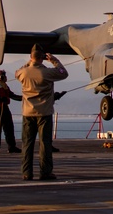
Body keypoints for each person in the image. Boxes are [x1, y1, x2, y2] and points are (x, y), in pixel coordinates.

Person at [16, 44, 68, 181]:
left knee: (27, 144)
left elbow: (17, 72)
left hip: (27, 113)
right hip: (44, 112)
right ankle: (45, 172)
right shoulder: (46, 73)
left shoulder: (23, 73)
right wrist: (54, 60)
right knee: (45, 144)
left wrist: (29, 62)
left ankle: (26, 172)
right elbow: (63, 72)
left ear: (31, 57)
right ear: (43, 58)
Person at [0, 70, 22, 154]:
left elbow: (11, 95)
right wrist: (0, 98)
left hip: (5, 108)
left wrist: (23, 98)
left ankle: (12, 147)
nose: (5, 77)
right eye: (4, 76)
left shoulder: (5, 86)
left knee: (9, 127)